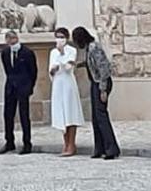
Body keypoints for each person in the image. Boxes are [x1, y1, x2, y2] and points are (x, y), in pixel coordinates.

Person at [74, 27, 119, 160]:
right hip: (95, 82)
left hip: (101, 83)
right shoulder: (90, 47)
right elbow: (92, 64)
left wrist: (103, 89)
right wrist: (82, 64)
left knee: (101, 116)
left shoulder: (94, 48)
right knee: (96, 117)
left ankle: (111, 148)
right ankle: (100, 148)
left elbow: (104, 68)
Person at [0, 30, 37, 155]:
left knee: (24, 115)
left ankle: (27, 143)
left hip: (23, 86)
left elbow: (33, 71)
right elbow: (7, 69)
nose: (11, 41)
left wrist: (30, 86)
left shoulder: (27, 52)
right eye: (8, 39)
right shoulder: (5, 52)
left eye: (13, 38)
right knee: (8, 115)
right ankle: (9, 141)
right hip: (10, 87)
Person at [49, 27, 85, 157]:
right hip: (58, 84)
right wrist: (54, 68)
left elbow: (69, 67)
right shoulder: (53, 52)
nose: (59, 39)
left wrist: (62, 54)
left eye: (62, 37)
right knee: (61, 113)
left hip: (68, 83)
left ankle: (72, 143)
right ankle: (65, 142)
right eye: (57, 36)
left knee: (70, 112)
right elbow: (51, 70)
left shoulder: (72, 50)